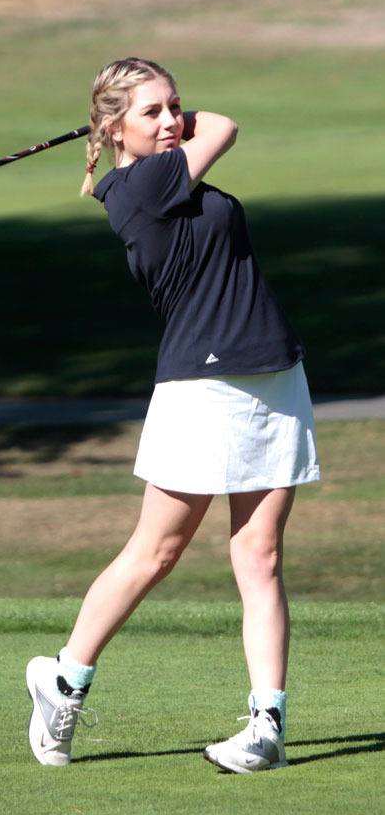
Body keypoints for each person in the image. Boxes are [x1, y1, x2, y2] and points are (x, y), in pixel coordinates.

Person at [25, 57, 320, 773]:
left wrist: (140, 122)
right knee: (156, 553)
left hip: (274, 375)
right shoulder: (139, 184)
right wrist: (176, 128)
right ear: (116, 126)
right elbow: (225, 124)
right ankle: (65, 680)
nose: (170, 121)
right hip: (204, 388)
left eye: (173, 108)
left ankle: (267, 726)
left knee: (261, 556)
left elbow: (204, 138)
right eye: (152, 111)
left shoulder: (160, 172)